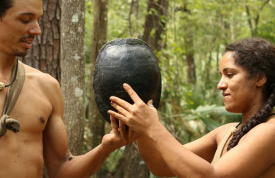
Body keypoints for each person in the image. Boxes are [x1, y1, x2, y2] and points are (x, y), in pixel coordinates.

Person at [0, 0, 135, 178]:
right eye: (26, 20)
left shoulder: (46, 87)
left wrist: (107, 146)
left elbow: (62, 170)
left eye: (38, 19)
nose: (37, 30)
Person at [108, 37, 275, 177]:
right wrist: (141, 127)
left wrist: (153, 127)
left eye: (230, 74)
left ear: (259, 78)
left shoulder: (270, 131)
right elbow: (162, 165)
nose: (220, 85)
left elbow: (212, 176)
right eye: (221, 76)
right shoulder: (225, 132)